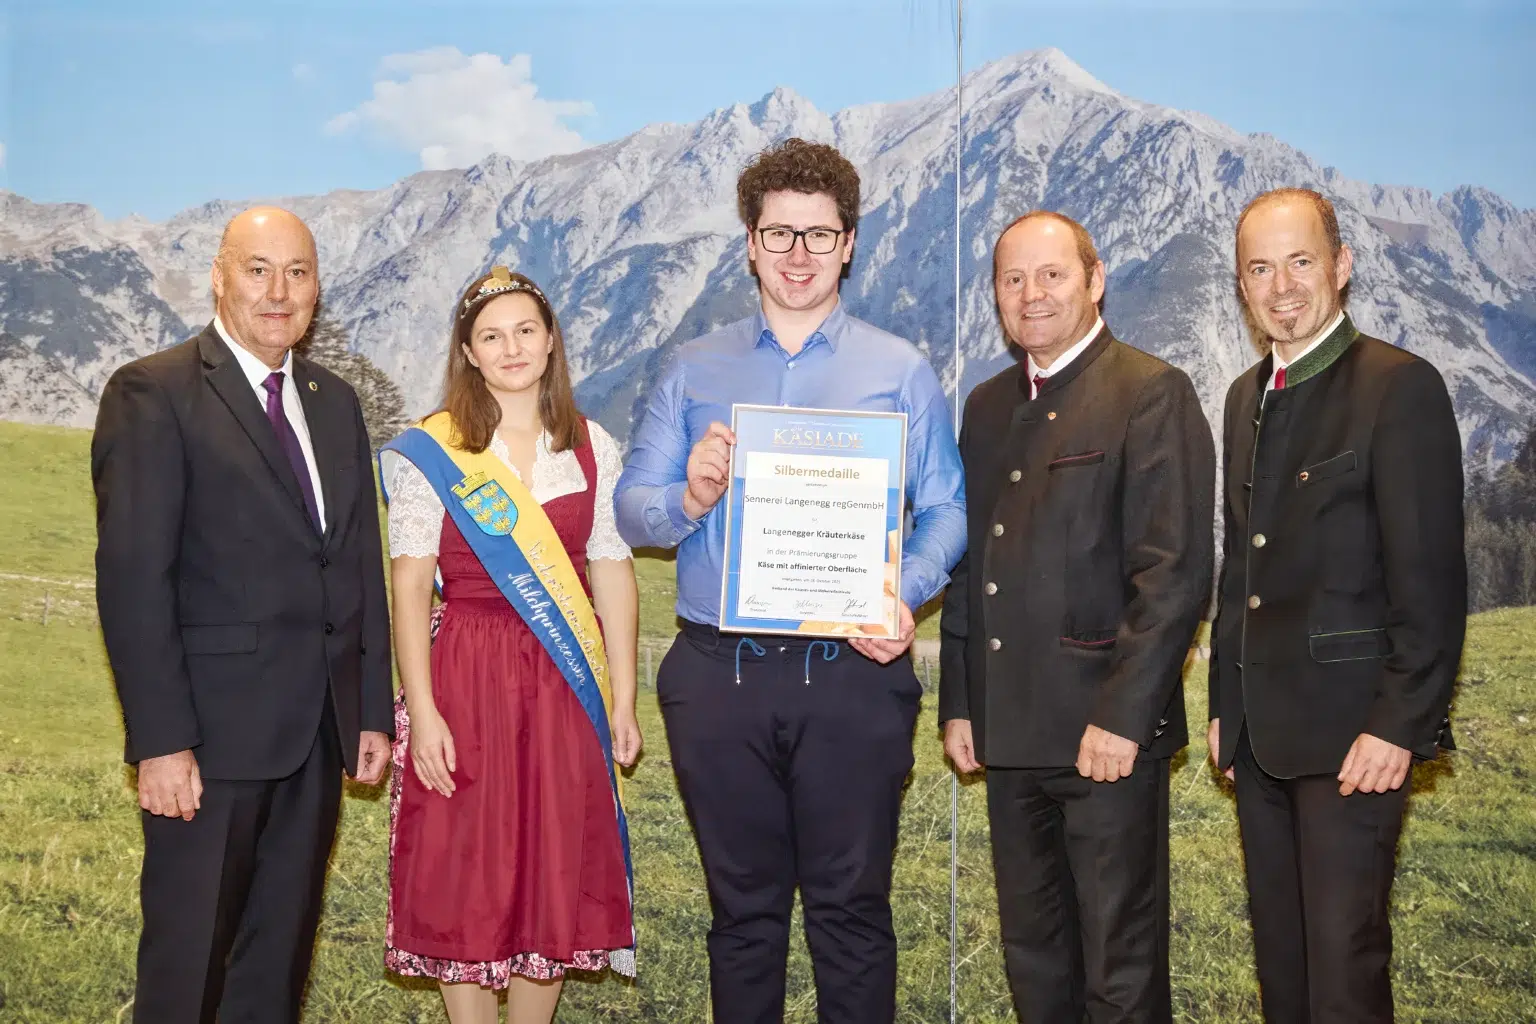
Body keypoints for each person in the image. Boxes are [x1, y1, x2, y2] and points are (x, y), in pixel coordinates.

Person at [615, 138, 965, 1024]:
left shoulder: (900, 372)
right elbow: (630, 510)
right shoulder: (694, 367)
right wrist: (691, 494)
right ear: (749, 243)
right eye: (780, 234)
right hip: (718, 677)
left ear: (850, 243)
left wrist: (907, 590)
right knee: (741, 919)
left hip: (851, 673)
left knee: (852, 916)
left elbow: (948, 512)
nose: (798, 255)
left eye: (819, 235)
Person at [91, 206, 393, 1022]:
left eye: (297, 272)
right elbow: (132, 580)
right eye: (258, 269)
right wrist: (160, 741)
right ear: (219, 276)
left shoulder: (335, 404)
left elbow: (357, 562)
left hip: (317, 738)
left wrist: (370, 710)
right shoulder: (154, 392)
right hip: (208, 746)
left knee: (275, 968)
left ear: (318, 289)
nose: (278, 291)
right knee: (188, 970)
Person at [938, 211, 1215, 1023]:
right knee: (1034, 960)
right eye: (1013, 279)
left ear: (1094, 281)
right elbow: (970, 565)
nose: (1032, 295)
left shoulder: (1151, 391)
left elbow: (1173, 575)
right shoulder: (987, 406)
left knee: (1118, 973)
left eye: (1053, 275)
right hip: (1007, 733)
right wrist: (960, 699)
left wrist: (1123, 720)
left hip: (1106, 742)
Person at [1209, 187, 1465, 1023]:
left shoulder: (1400, 387)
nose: (1281, 285)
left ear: (1341, 266)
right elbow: (1239, 565)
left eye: (1300, 261)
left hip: (1355, 739)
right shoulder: (1244, 397)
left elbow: (1430, 582)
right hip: (1257, 740)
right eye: (1260, 267)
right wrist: (1222, 704)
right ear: (1241, 286)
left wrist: (1400, 725)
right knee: (1282, 969)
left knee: (1344, 972)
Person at [379, 266, 640, 1024]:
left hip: (565, 679)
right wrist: (422, 711)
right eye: (491, 336)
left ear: (551, 340)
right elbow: (408, 584)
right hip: (465, 671)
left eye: (526, 330)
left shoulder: (592, 446)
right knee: (466, 859)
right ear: (468, 351)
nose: (512, 347)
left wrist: (622, 698)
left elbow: (613, 571)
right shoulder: (433, 452)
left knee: (551, 859)